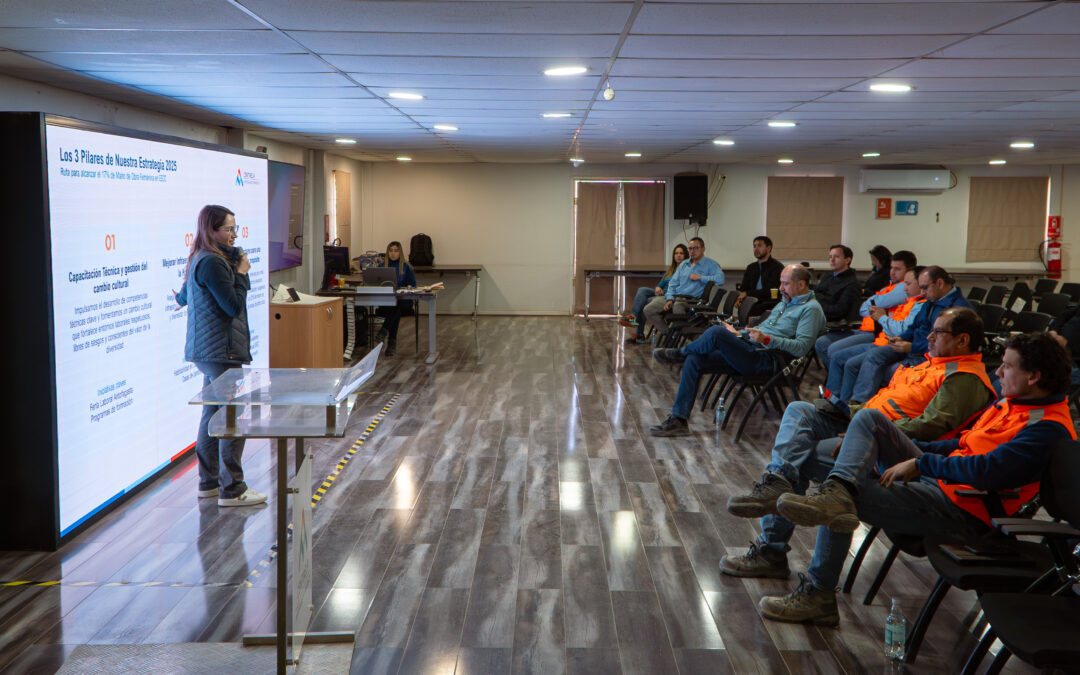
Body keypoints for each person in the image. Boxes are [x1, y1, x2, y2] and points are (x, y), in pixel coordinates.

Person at [733, 332, 1075, 626]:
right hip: (939, 485)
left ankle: (819, 594)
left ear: (1034, 376)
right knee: (866, 423)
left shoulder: (1046, 428)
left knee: (839, 496)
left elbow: (987, 471)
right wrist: (915, 453)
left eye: (1008, 366)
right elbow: (960, 442)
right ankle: (801, 514)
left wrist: (922, 463)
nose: (998, 371)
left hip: (964, 510)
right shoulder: (1015, 404)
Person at [648, 264, 824, 436]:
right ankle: (679, 420)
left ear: (801, 285)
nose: (780, 288)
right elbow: (762, 330)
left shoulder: (811, 309)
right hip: (751, 350)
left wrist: (767, 339)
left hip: (768, 360)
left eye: (785, 283)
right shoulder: (785, 302)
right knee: (695, 360)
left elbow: (801, 347)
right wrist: (738, 333)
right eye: (781, 283)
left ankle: (679, 353)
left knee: (716, 333)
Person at [176, 205, 266, 507]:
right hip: (221, 351)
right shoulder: (213, 263)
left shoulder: (202, 258)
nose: (233, 234)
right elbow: (232, 307)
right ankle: (233, 489)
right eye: (228, 229)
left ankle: (209, 484)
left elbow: (185, 296)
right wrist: (241, 275)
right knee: (232, 417)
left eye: (234, 228)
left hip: (210, 350)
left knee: (212, 414)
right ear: (212, 230)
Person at [839, 266, 972, 410]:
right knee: (873, 356)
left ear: (939, 283)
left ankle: (871, 410)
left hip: (928, 356)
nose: (922, 292)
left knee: (893, 371)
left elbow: (943, 344)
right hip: (912, 346)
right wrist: (901, 338)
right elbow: (914, 327)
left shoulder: (958, 310)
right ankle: (855, 405)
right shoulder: (931, 301)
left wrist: (911, 347)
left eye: (925, 288)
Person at [822, 265, 925, 410]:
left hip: (893, 344)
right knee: (837, 355)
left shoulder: (919, 304)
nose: (905, 288)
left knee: (863, 358)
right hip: (880, 338)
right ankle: (838, 405)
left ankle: (853, 405)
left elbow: (901, 330)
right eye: (891, 268)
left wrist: (883, 318)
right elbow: (866, 308)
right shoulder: (902, 297)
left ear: (921, 284)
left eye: (908, 284)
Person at [814, 249, 917, 366]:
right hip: (864, 327)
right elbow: (865, 307)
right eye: (891, 268)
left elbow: (863, 308)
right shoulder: (889, 286)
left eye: (897, 269)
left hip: (876, 332)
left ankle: (839, 378)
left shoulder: (903, 288)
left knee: (834, 350)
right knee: (822, 342)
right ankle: (839, 377)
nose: (892, 272)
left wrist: (876, 310)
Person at [642, 237, 724, 335]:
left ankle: (682, 337)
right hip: (676, 297)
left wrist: (700, 277)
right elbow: (673, 283)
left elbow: (720, 279)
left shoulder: (711, 264)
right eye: (690, 248)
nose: (692, 251)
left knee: (677, 306)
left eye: (696, 248)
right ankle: (670, 334)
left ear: (703, 248)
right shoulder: (684, 264)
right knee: (648, 309)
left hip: (691, 300)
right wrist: (669, 299)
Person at [623, 244, 689, 345]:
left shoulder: (686, 270)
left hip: (669, 297)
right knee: (642, 290)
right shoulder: (671, 269)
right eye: (676, 253)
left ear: (685, 256)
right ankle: (633, 316)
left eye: (681, 253)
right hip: (661, 293)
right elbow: (661, 284)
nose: (678, 255)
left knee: (643, 302)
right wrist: (658, 287)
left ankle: (640, 335)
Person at [376, 240, 418, 356]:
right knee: (395, 308)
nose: (393, 253)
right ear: (387, 252)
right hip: (387, 301)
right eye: (390, 251)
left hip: (404, 302)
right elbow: (375, 284)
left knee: (397, 305)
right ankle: (391, 343)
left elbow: (413, 286)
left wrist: (403, 289)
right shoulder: (381, 266)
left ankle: (384, 331)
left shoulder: (406, 267)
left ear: (400, 253)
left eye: (396, 251)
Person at [734, 235, 785, 311]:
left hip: (768, 303)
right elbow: (744, 288)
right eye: (754, 246)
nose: (756, 249)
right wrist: (739, 298)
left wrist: (747, 293)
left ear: (769, 248)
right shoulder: (751, 267)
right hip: (751, 301)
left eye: (760, 246)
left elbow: (769, 291)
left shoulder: (777, 267)